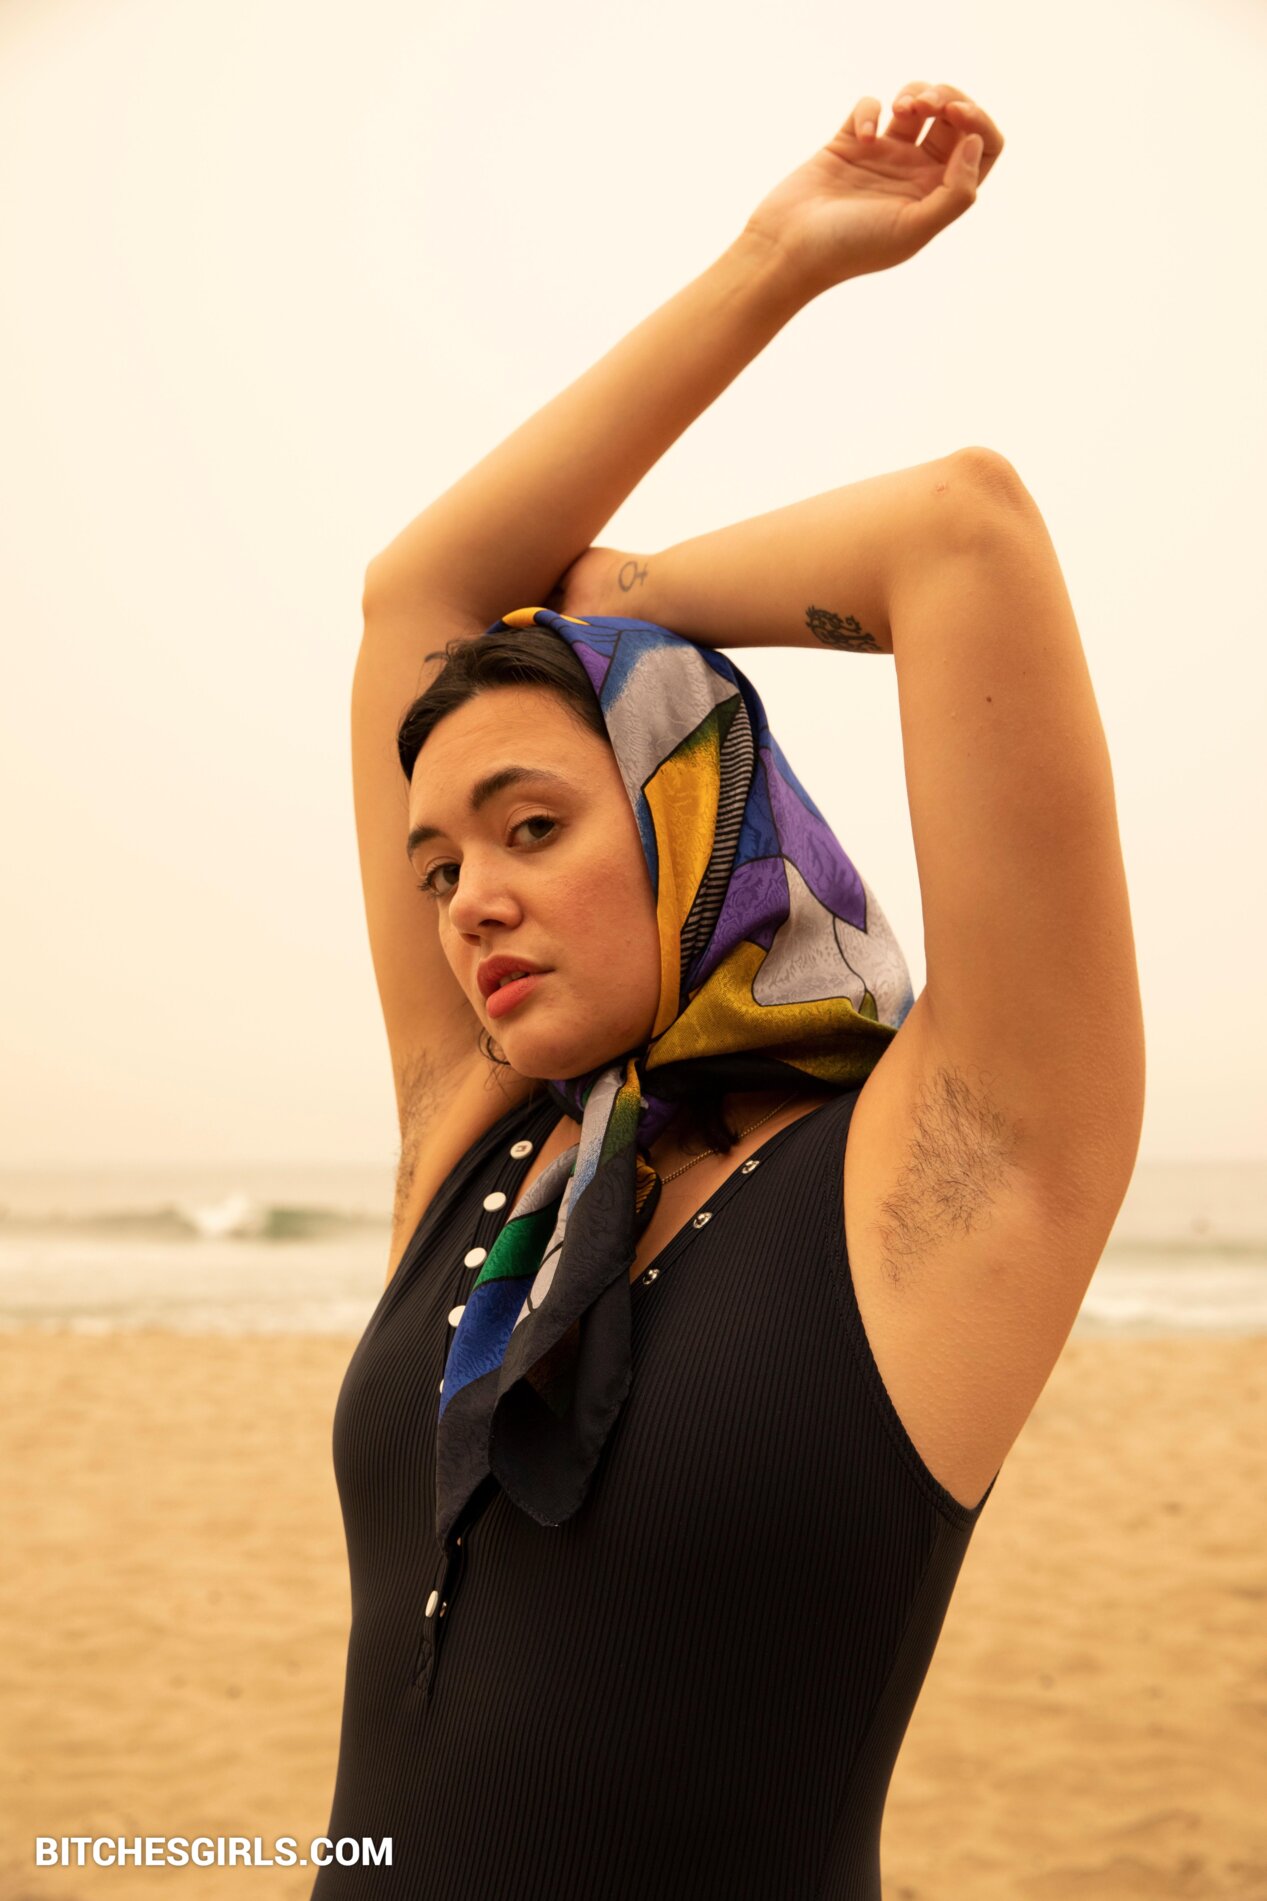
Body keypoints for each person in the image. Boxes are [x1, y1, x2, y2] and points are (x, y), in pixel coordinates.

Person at [317, 80, 1145, 1899]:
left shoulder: (940, 1178)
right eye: (439, 866)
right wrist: (761, 261)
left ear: (689, 815)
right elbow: (417, 589)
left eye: (534, 824)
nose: (470, 901)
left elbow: (959, 534)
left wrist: (630, 602)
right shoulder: (487, 1150)